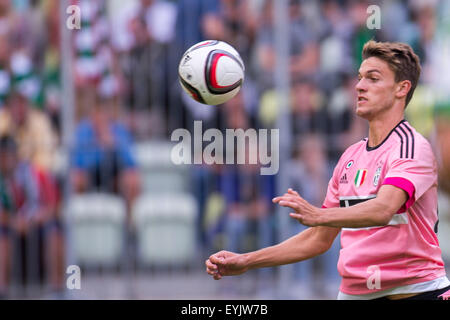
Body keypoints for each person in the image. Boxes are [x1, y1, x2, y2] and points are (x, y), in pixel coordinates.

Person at [206, 40, 450, 300]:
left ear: (402, 89)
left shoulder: (411, 147)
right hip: (354, 295)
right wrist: (246, 260)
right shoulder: (349, 157)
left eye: (373, 78)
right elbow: (318, 239)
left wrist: (319, 215)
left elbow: (383, 209)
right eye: (359, 78)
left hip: (416, 292)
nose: (359, 86)